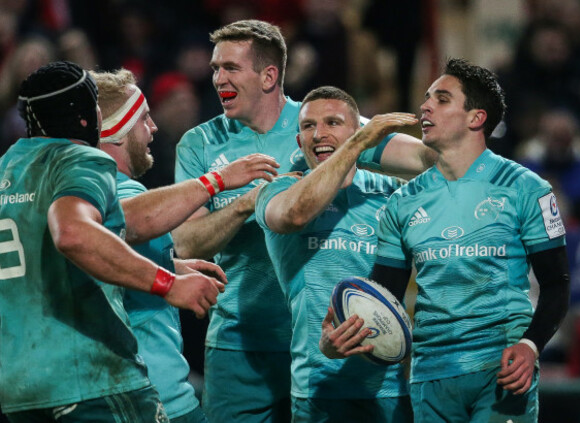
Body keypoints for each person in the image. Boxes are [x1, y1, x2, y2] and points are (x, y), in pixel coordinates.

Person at [173, 19, 435, 422]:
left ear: (269, 75)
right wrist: (246, 204)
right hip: (239, 342)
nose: (218, 78)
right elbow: (188, 244)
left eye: (230, 67)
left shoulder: (320, 125)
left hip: (321, 341)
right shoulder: (200, 143)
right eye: (214, 68)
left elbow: (423, 161)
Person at [328, 58, 571, 422]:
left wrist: (530, 345)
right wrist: (343, 334)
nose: (425, 106)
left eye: (441, 99)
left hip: (502, 369)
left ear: (476, 118)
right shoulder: (402, 202)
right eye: (426, 98)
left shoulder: (528, 189)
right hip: (430, 376)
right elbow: (385, 298)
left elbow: (557, 284)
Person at [0, 61, 223, 422]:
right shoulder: (81, 160)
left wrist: (169, 263)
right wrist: (169, 284)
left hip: (19, 389)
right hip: (88, 379)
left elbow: (43, 252)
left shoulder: (8, 170)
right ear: (89, 116)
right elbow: (74, 233)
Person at [91, 68, 279, 423]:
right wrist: (218, 181)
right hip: (149, 395)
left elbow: (106, 257)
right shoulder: (115, 193)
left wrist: (170, 266)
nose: (154, 129)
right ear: (115, 129)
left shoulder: (73, 195)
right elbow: (126, 221)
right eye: (144, 119)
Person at [254, 86, 416, 422]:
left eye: (332, 122)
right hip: (320, 385)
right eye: (308, 126)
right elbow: (295, 214)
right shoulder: (278, 191)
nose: (319, 134)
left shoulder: (394, 194)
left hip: (390, 388)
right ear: (299, 142)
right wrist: (357, 143)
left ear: (357, 129)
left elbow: (444, 164)